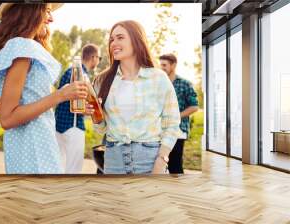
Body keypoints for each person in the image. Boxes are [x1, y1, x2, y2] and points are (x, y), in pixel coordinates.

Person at [0, 3, 88, 174]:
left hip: (32, 146)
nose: (51, 18)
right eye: (47, 11)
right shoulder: (23, 47)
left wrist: (65, 93)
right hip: (33, 148)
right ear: (30, 12)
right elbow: (7, 118)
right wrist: (60, 95)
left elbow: (31, 100)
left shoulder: (22, 47)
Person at [92, 20, 181, 174]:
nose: (114, 43)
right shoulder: (102, 81)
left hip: (150, 160)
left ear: (136, 40)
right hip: (114, 160)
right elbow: (102, 129)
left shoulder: (158, 78)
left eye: (120, 37)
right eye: (112, 39)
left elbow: (172, 123)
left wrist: (162, 160)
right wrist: (95, 115)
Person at [55, 44, 101, 173]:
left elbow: (62, 97)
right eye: (99, 58)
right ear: (93, 57)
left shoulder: (69, 71)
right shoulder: (81, 75)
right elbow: (77, 103)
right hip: (73, 127)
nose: (98, 61)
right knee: (73, 169)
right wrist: (89, 109)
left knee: (58, 167)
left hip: (59, 126)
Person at [159, 53, 199, 174]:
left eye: (164, 65)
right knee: (160, 163)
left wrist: (176, 116)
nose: (162, 68)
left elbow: (194, 106)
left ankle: (178, 189)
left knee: (175, 165)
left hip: (178, 131)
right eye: (161, 65)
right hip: (160, 130)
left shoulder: (185, 83)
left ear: (173, 65)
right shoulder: (159, 84)